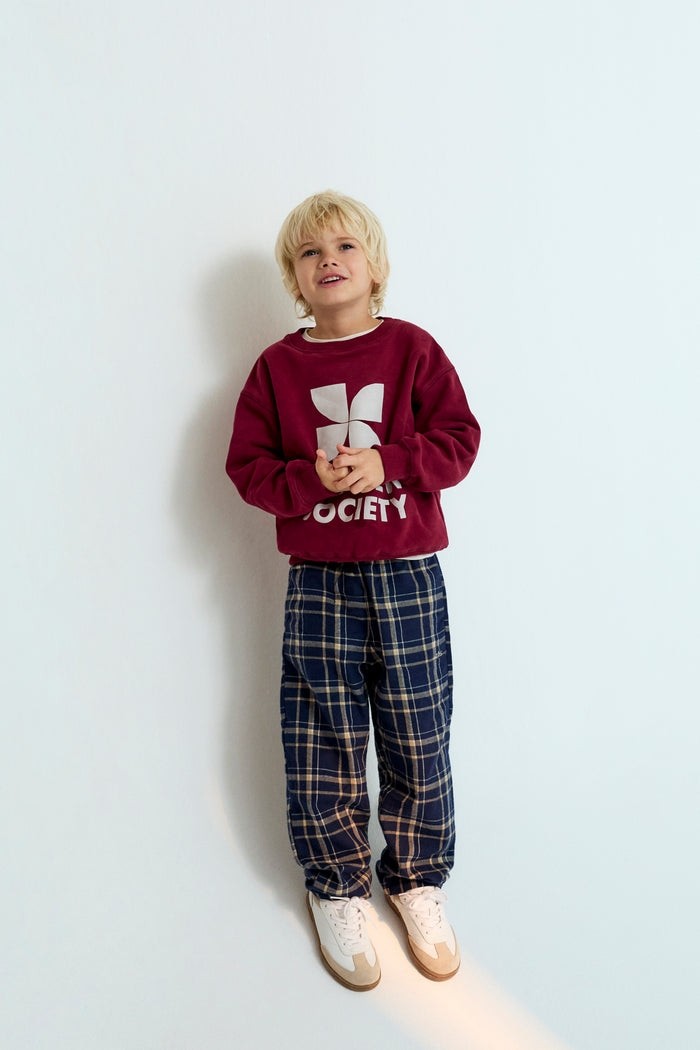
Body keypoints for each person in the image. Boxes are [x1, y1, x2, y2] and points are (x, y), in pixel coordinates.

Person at [226, 190, 480, 991]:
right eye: (309, 252)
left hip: (407, 574)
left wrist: (390, 462)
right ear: (295, 278)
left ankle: (417, 878)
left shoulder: (412, 350)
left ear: (375, 266)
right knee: (322, 735)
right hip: (320, 582)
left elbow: (459, 439)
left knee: (418, 731)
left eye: (344, 246)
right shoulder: (278, 368)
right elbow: (248, 469)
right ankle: (336, 884)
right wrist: (309, 480)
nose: (328, 260)